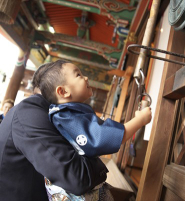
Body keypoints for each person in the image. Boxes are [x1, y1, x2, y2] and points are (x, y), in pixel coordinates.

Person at [33, 60, 152, 200]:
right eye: (78, 75)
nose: (86, 78)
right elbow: (100, 138)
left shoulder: (65, 114)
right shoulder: (66, 117)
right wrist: (140, 120)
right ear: (63, 91)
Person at [0, 70, 108, 201]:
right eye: (77, 75)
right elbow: (78, 178)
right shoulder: (29, 113)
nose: (86, 78)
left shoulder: (50, 114)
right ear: (59, 87)